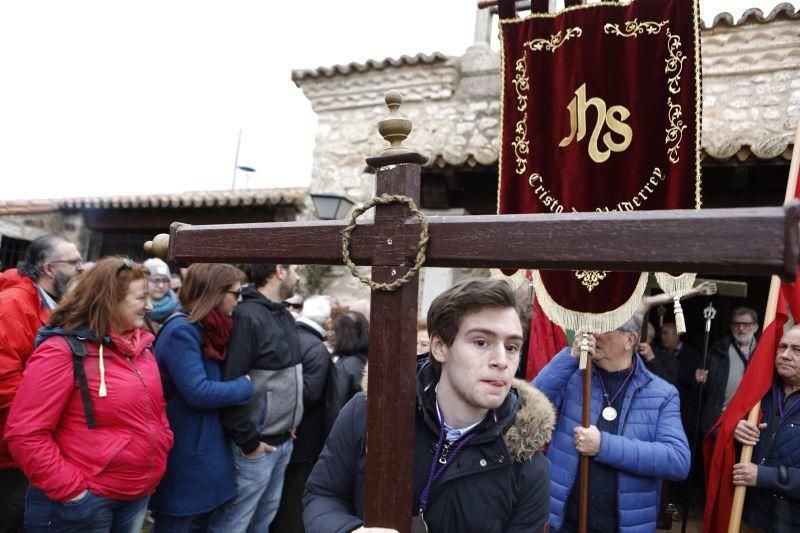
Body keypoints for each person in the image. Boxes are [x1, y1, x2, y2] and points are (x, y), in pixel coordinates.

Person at [303, 277, 555, 533]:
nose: (502, 361)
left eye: (512, 347)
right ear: (439, 347)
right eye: (481, 342)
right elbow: (322, 494)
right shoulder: (370, 413)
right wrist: (348, 531)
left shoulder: (527, 465)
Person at [4, 256, 173, 532]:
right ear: (110, 299)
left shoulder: (142, 346)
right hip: (84, 502)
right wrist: (72, 492)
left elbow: (156, 408)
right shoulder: (61, 350)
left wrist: (163, 441)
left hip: (137, 493)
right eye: (141, 297)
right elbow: (25, 433)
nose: (150, 306)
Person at [533, 313, 690, 532]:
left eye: (604, 329)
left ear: (630, 340)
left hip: (623, 526)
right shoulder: (574, 374)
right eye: (590, 327)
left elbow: (677, 460)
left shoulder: (662, 393)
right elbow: (529, 409)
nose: (592, 335)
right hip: (564, 521)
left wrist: (603, 446)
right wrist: (570, 357)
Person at [148, 263, 254, 532]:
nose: (239, 300)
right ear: (215, 294)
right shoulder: (182, 330)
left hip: (201, 452)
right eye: (236, 293)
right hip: (185, 455)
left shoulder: (206, 329)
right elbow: (198, 391)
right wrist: (245, 387)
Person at [210, 263, 303, 532]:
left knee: (262, 520)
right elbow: (232, 382)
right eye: (295, 270)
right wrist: (250, 442)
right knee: (235, 522)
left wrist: (290, 420)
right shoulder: (248, 316)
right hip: (255, 447)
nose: (297, 277)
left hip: (283, 440)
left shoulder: (283, 315)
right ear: (280, 271)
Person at [0, 235, 84, 531]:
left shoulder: (53, 304)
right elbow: (5, 384)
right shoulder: (12, 306)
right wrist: (35, 440)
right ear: (49, 268)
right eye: (74, 262)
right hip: (12, 452)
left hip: (35, 449)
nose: (81, 268)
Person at [272, 295, 332, 533]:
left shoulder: (288, 336)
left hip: (277, 427)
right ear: (326, 321)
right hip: (301, 432)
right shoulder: (317, 348)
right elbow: (312, 392)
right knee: (291, 498)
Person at [732, 325, 800, 531]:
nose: (785, 355)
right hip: (745, 515)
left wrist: (764, 476)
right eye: (782, 347)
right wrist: (734, 430)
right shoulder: (758, 391)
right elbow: (717, 431)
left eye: (797, 350)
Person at [697, 307, 759, 437]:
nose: (740, 328)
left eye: (746, 324)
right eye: (736, 324)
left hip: (750, 420)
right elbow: (704, 391)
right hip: (719, 420)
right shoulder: (717, 351)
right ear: (731, 327)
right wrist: (699, 381)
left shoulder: (764, 352)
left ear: (755, 327)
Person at [324, 311, 369, 433]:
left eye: (335, 331)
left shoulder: (344, 366)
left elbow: (334, 408)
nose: (331, 335)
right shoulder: (366, 359)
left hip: (344, 431)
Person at [144, 258, 180, 335]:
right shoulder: (137, 310)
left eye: (165, 280)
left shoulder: (179, 309)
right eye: (156, 280)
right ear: (144, 281)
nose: (161, 285)